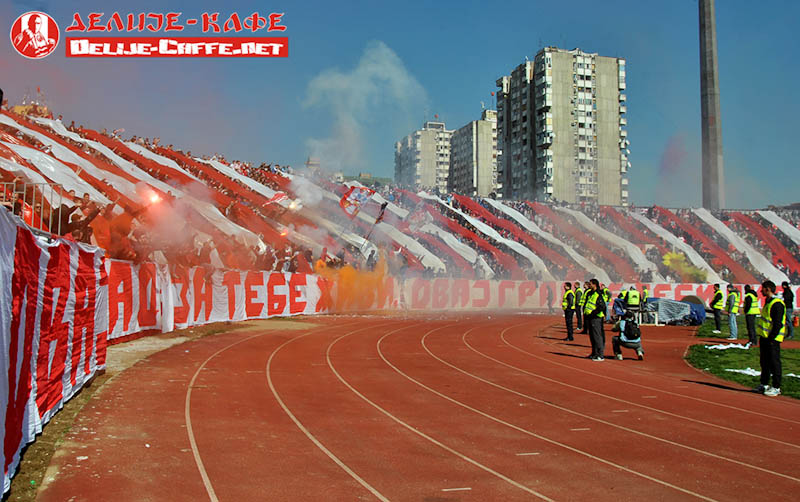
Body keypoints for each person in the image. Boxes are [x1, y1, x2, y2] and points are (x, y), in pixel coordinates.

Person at [755, 281, 786, 397]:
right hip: (764, 337)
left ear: (768, 289)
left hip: (772, 339)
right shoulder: (768, 302)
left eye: (762, 289)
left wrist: (771, 338)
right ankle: (764, 384)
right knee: (764, 362)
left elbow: (778, 324)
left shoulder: (777, 304)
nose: (761, 291)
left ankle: (776, 387)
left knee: (774, 363)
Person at [584, 278, 607, 361]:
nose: (589, 285)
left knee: (597, 336)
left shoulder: (598, 294)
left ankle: (600, 355)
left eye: (590, 284)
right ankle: (594, 353)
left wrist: (593, 313)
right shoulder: (590, 293)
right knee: (592, 336)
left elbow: (602, 306)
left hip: (596, 317)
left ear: (594, 285)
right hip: (590, 317)